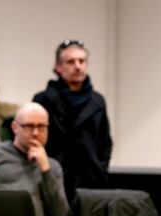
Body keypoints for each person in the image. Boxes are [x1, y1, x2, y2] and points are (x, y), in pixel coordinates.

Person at [32, 40, 113, 202]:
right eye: (70, 61)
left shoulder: (97, 101)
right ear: (58, 67)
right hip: (54, 178)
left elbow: (105, 142)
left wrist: (100, 170)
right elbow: (34, 139)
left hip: (91, 181)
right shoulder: (43, 100)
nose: (77, 66)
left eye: (82, 61)